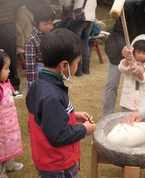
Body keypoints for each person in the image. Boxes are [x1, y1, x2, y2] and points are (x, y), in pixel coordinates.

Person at [26, 28, 96, 177]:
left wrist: (72, 115)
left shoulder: (40, 84)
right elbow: (58, 135)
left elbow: (47, 118)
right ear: (64, 65)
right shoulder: (51, 95)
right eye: (77, 62)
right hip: (57, 164)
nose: (77, 66)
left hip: (50, 159)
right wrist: (84, 130)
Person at [63, 0, 97, 76]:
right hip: (90, 18)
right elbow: (95, 4)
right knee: (84, 42)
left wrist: (73, 5)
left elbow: (67, 4)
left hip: (78, 17)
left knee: (75, 43)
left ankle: (77, 71)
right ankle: (86, 69)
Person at [15, 0, 47, 69]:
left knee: (27, 34)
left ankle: (30, 57)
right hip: (36, 8)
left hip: (30, 8)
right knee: (34, 34)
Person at [118, 34, 145, 112]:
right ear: (133, 52)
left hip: (142, 99)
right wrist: (127, 60)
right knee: (126, 117)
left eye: (144, 53)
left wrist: (141, 74)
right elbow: (121, 68)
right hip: (128, 98)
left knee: (140, 119)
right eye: (138, 52)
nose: (141, 56)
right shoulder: (129, 62)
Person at [25, 4, 55, 92]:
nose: (49, 27)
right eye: (45, 24)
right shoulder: (31, 39)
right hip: (39, 69)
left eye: (51, 24)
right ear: (37, 22)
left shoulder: (51, 34)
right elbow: (30, 65)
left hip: (50, 68)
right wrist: (32, 84)